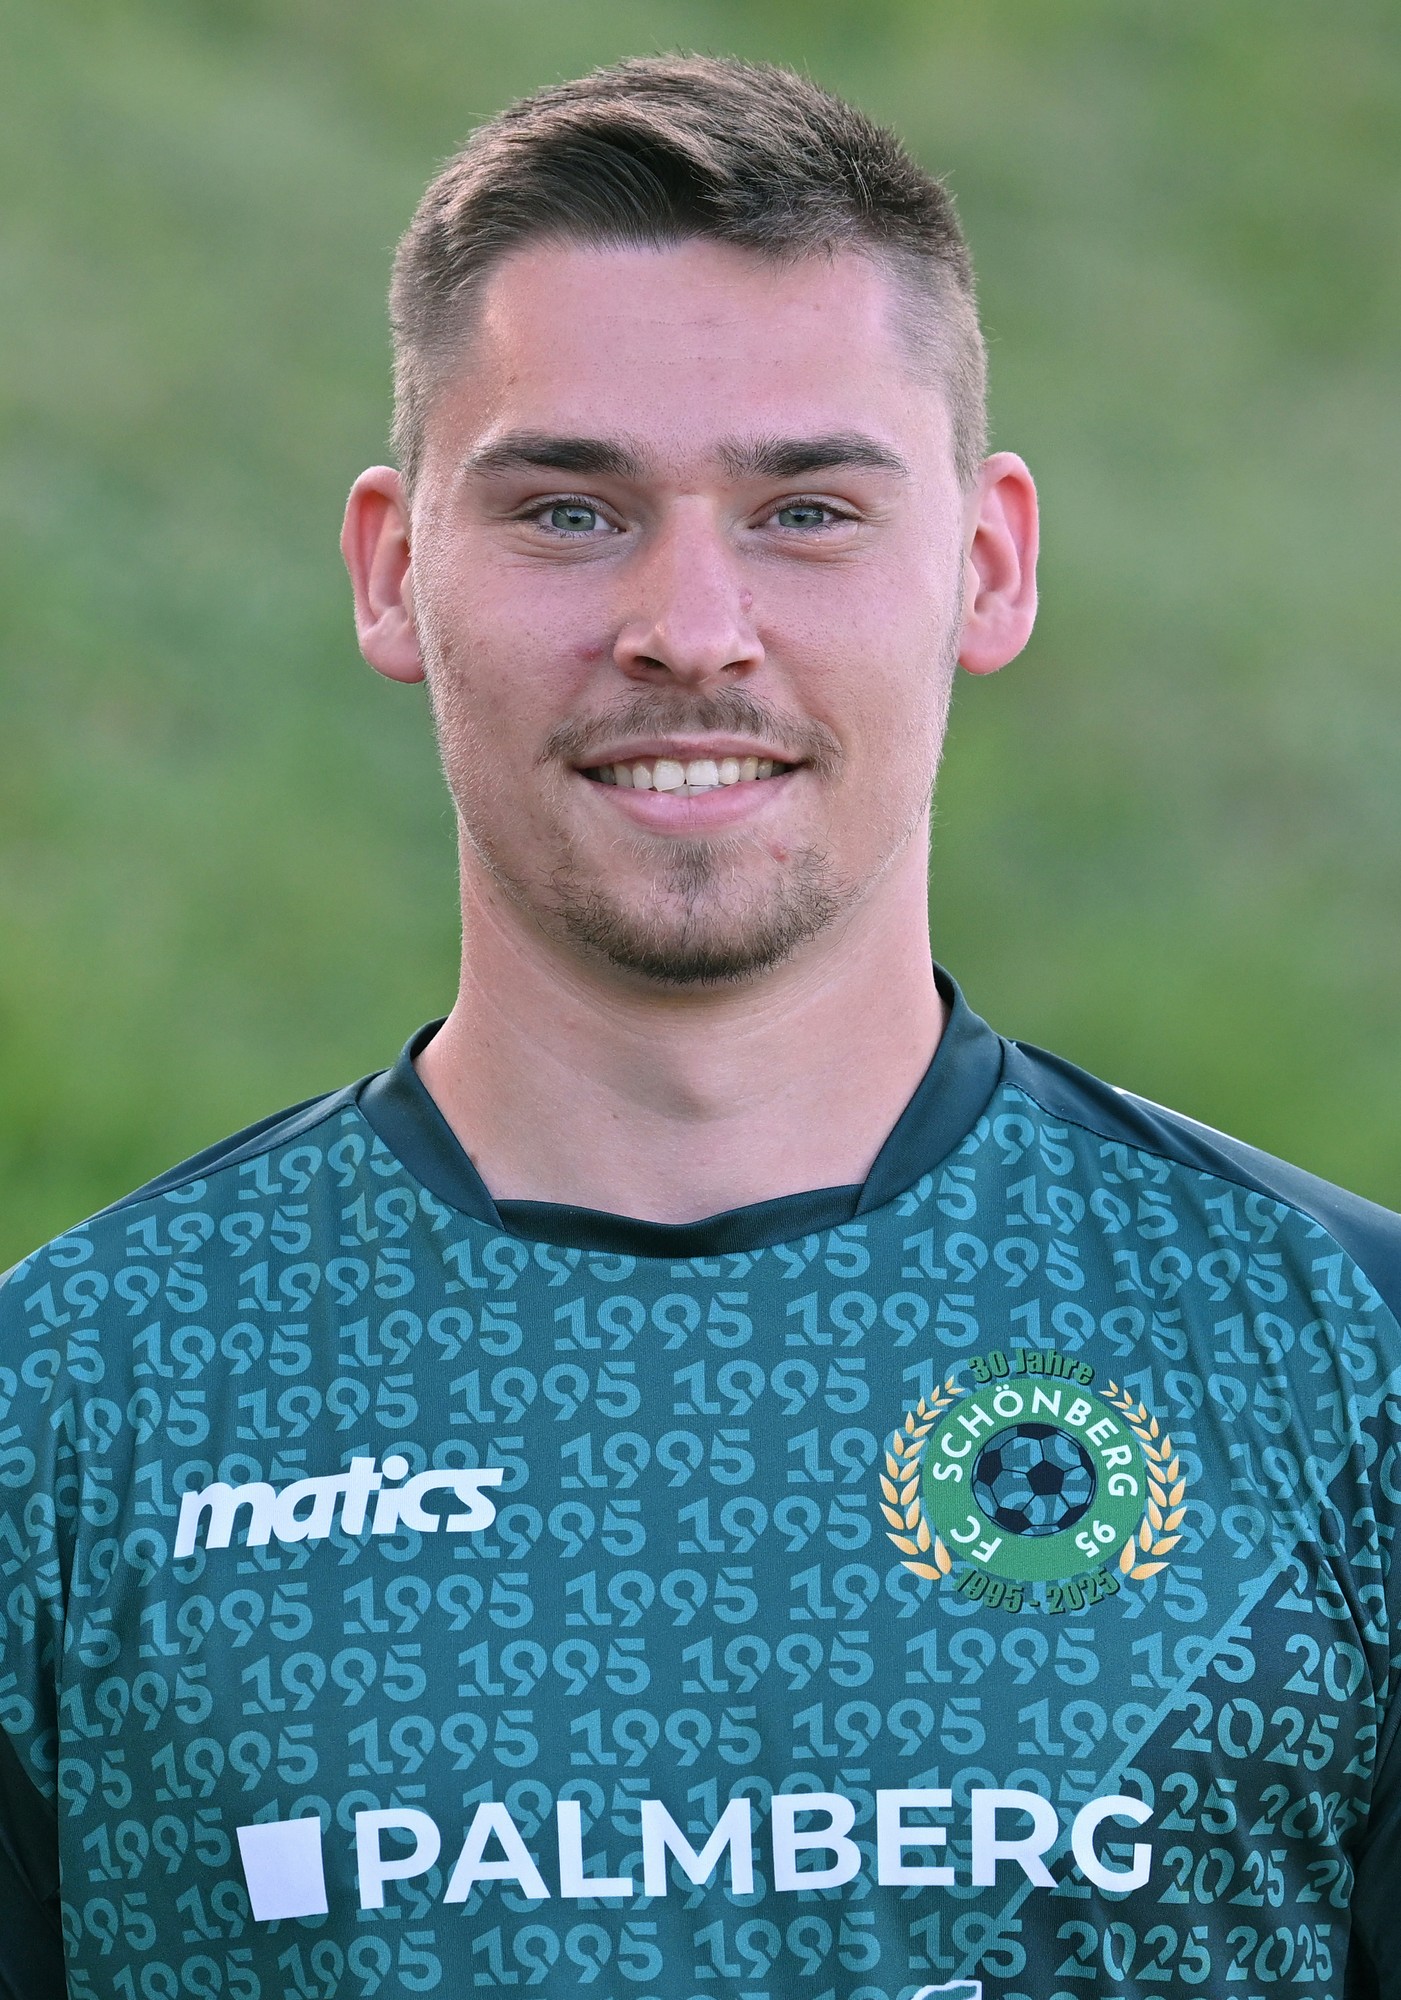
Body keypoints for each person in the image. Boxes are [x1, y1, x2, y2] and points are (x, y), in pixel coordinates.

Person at [2, 53, 1398, 2000]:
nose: (687, 623)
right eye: (569, 509)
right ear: (393, 571)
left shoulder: (1341, 1368)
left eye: (805, 508)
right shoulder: (69, 1411)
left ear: (985, 564)